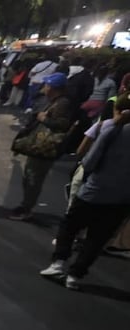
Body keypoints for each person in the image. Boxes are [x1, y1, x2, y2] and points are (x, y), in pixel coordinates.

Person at [40, 96, 130, 289]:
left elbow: (89, 161)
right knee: (97, 239)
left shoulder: (111, 128)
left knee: (70, 226)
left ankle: (58, 264)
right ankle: (75, 275)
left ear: (118, 110)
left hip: (93, 191)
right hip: (121, 199)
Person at [10, 72, 73, 221]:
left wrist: (44, 119)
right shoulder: (52, 100)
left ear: (54, 87)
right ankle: (25, 205)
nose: (44, 87)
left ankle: (26, 209)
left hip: (45, 148)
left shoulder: (62, 103)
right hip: (38, 146)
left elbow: (62, 125)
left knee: (33, 179)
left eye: (47, 84)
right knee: (30, 177)